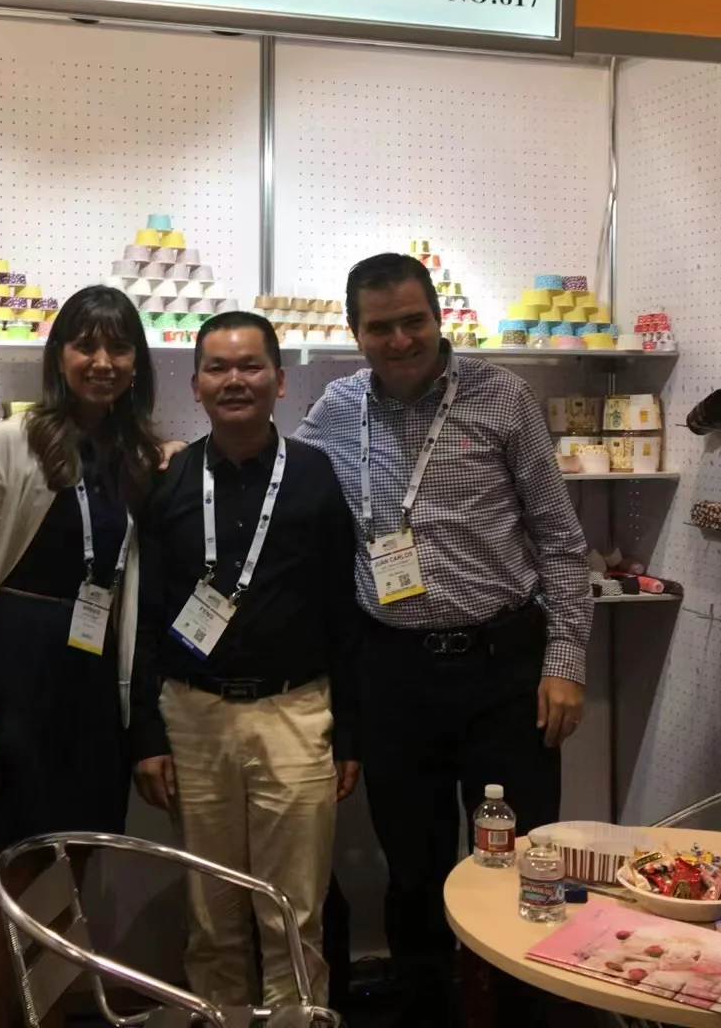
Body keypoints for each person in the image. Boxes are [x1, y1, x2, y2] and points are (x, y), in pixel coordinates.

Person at [296, 253, 593, 1028]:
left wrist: (565, 662)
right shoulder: (335, 409)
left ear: (438, 317)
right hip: (393, 676)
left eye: (413, 321)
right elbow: (284, 487)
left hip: (506, 672)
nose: (400, 341)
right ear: (355, 332)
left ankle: (524, 1017)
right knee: (413, 871)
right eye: (380, 327)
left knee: (522, 862)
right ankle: (426, 1012)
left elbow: (560, 541)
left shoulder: (504, 397)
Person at [0, 285, 163, 1028]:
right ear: (59, 356)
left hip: (91, 680)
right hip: (13, 675)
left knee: (67, 883)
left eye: (119, 347)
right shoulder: (9, 443)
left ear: (138, 362)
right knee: (10, 884)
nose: (103, 361)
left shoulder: (136, 456)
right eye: (86, 344)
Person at [131, 310, 360, 1010]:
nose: (235, 380)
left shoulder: (315, 475)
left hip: (295, 713)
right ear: (196, 384)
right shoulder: (169, 479)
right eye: (218, 367)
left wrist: (350, 734)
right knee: (211, 920)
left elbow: (342, 612)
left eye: (251, 366)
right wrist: (146, 735)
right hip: (192, 715)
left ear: (280, 381)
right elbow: (145, 616)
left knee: (294, 916)